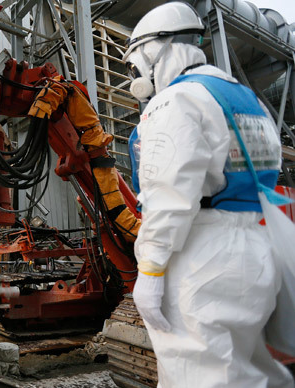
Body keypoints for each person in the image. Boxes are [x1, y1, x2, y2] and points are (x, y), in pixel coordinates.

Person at [124, 3, 294, 387]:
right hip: (258, 247)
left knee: (198, 374)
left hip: (203, 256)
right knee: (250, 371)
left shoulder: (176, 101)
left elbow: (168, 197)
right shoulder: (246, 99)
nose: (137, 75)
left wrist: (150, 270)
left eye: (136, 64)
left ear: (154, 50)